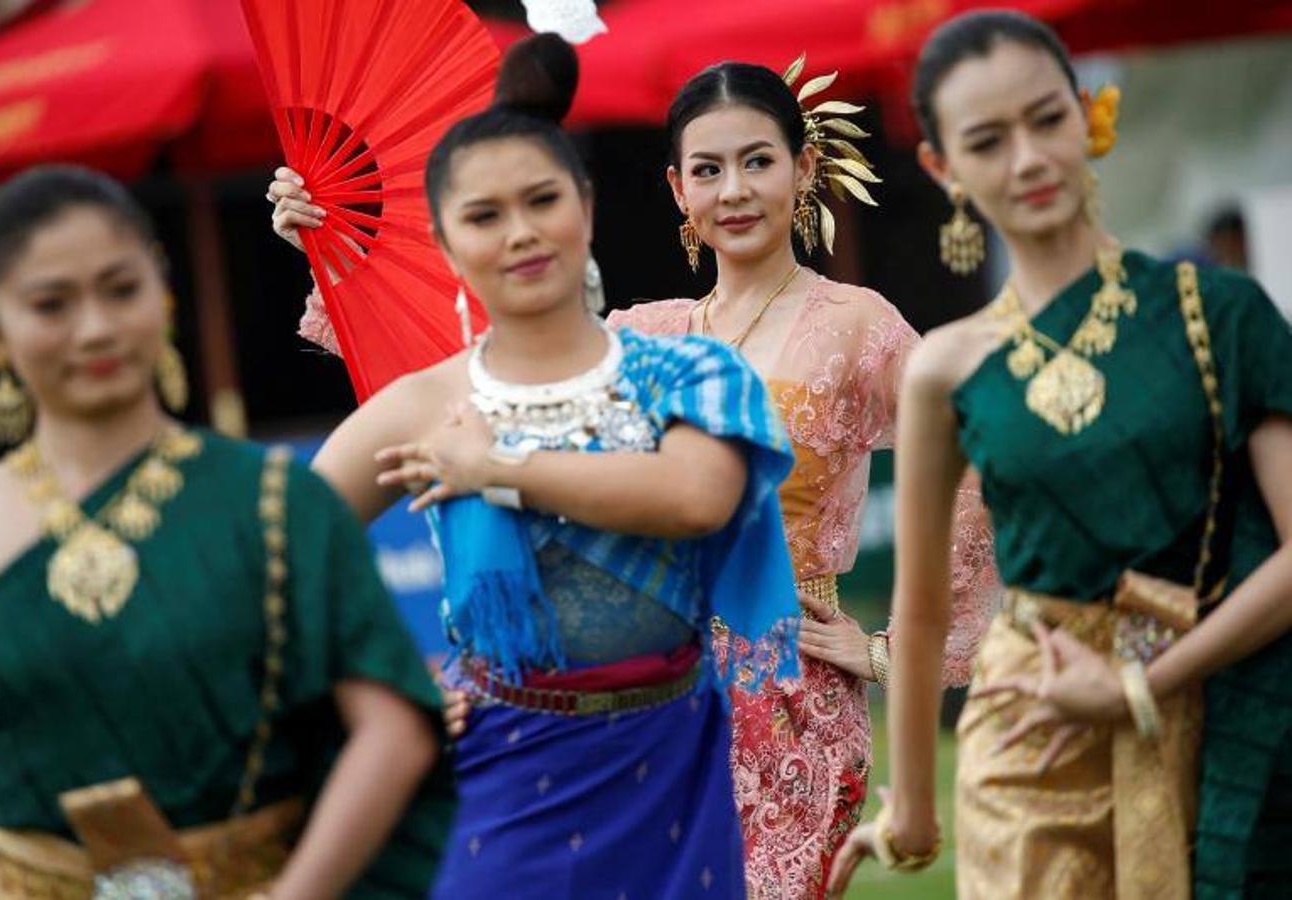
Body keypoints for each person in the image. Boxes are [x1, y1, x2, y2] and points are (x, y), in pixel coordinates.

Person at [271, 50, 1000, 898]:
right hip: (648, 687)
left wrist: (890, 652)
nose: (733, 190)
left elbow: (972, 458)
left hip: (787, 692)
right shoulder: (647, 335)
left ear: (803, 169)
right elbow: (481, 367)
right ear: (676, 190)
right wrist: (342, 241)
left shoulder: (855, 323)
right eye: (708, 169)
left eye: (756, 162)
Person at [831, 11, 1292, 898]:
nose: (1028, 159)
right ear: (942, 167)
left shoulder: (1219, 312)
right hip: (1032, 737)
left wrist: (1141, 683)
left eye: (1046, 119)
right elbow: (920, 611)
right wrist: (913, 811)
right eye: (987, 140)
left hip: (1224, 706)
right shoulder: (945, 368)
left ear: (1088, 114)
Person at [0, 165, 454, 899]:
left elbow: (392, 732)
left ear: (162, 289)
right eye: (51, 305)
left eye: (121, 290)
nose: (95, 328)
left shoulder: (279, 504)